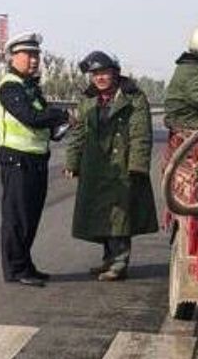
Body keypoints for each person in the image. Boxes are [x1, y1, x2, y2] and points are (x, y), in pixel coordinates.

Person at [64, 50, 157, 281]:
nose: (99, 78)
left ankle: (119, 262)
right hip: (95, 166)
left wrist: (137, 164)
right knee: (102, 215)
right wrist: (72, 162)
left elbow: (141, 134)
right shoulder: (88, 99)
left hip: (122, 165)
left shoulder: (133, 97)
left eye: (103, 72)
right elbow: (78, 132)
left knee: (120, 215)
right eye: (95, 74)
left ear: (115, 73)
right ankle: (108, 259)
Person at [0, 31, 70, 287]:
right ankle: (15, 269)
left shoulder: (30, 87)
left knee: (31, 216)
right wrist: (59, 115)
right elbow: (30, 117)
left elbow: (44, 120)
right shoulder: (10, 87)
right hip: (17, 160)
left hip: (36, 159)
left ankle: (25, 264)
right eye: (28, 55)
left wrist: (60, 125)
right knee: (18, 218)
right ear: (13, 57)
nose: (34, 60)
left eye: (37, 55)